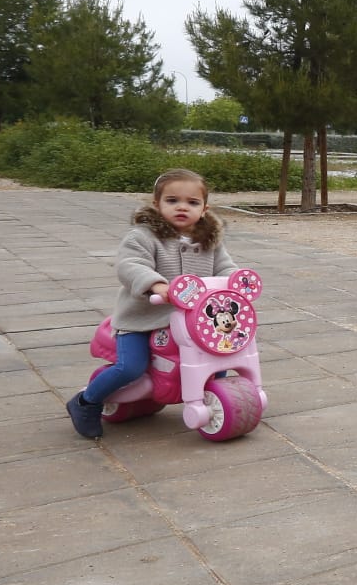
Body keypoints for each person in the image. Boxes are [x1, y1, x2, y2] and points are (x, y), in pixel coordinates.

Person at [66, 168, 236, 439]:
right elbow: (129, 265)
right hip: (141, 320)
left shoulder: (210, 240)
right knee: (130, 367)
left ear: (204, 209)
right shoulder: (143, 237)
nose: (182, 207)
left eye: (192, 202)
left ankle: (210, 394)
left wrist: (235, 283)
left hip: (190, 322)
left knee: (217, 352)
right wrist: (156, 284)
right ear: (157, 205)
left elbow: (225, 267)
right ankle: (86, 402)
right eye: (172, 201)